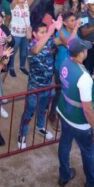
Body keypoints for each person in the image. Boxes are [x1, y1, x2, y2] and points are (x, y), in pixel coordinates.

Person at [56, 38, 94, 187]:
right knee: (88, 151)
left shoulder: (65, 62)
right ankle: (92, 182)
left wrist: (87, 77)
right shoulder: (84, 78)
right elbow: (88, 109)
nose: (87, 51)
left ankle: (64, 175)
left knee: (64, 144)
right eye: (85, 49)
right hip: (79, 122)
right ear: (81, 53)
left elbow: (71, 80)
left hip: (64, 112)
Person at [18, 19, 61, 149]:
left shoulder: (49, 41)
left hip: (48, 86)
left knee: (43, 109)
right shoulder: (30, 46)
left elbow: (64, 41)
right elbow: (36, 50)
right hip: (34, 87)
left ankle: (40, 127)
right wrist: (49, 32)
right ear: (34, 34)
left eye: (45, 31)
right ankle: (22, 134)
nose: (44, 34)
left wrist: (59, 29)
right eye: (41, 32)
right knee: (29, 111)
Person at [10, 0, 39, 76]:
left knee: (24, 52)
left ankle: (22, 66)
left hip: (26, 34)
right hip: (15, 34)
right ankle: (11, 67)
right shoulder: (13, 6)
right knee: (13, 52)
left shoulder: (26, 5)